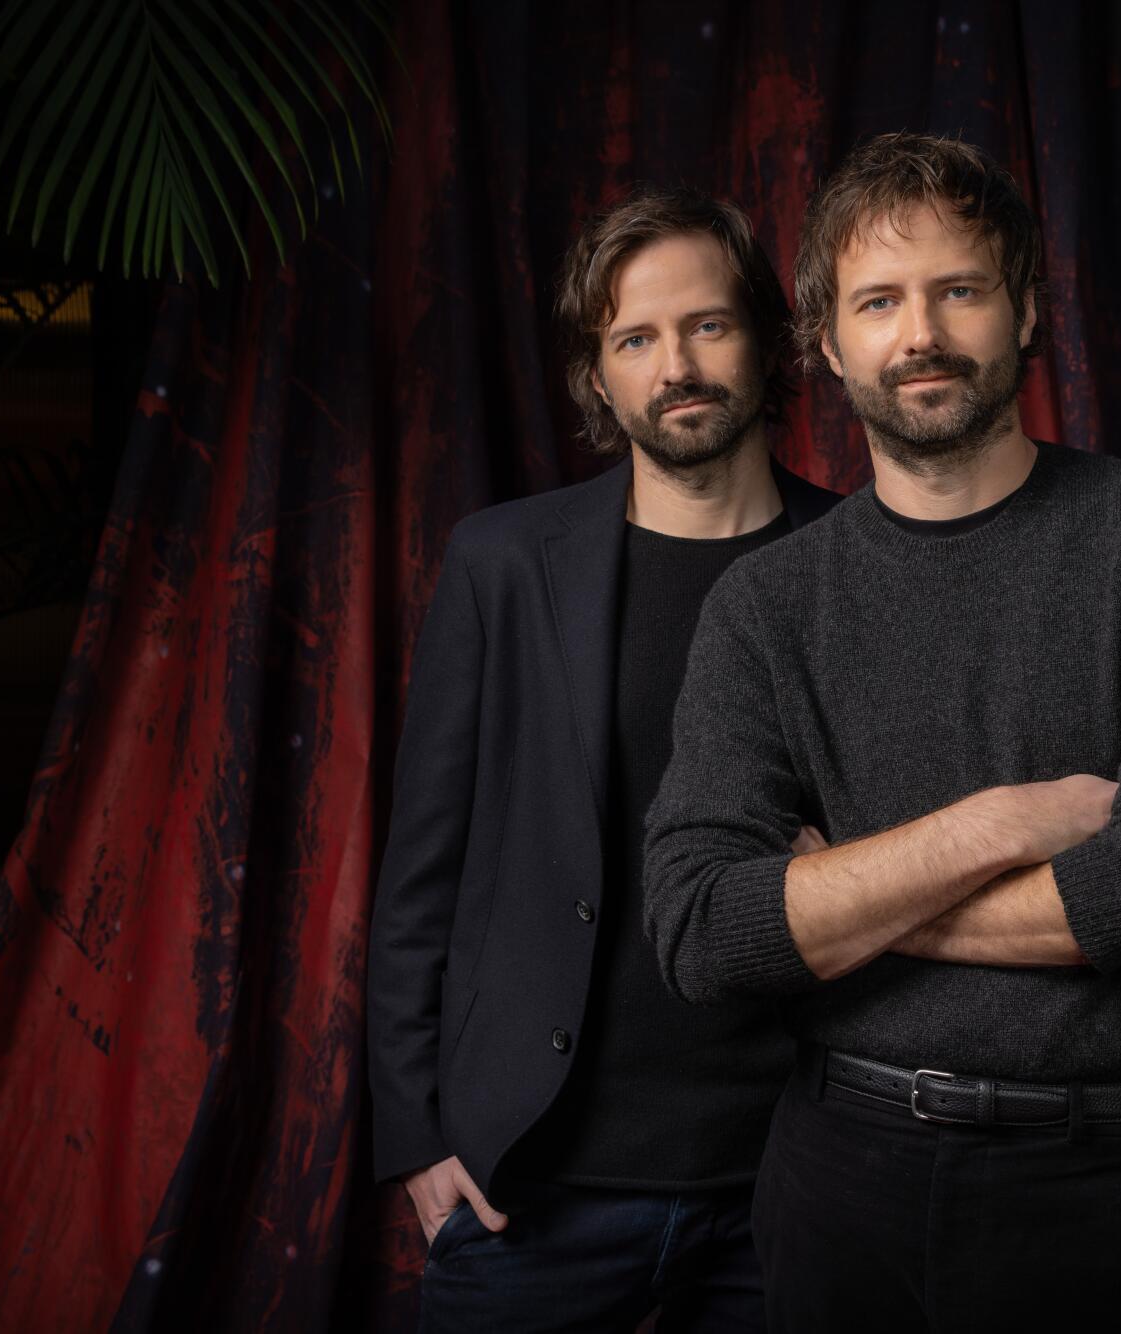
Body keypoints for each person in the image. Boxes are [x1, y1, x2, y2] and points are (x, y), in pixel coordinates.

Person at [642, 132, 1121, 1332]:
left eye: (958, 289)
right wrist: (992, 826)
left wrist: (833, 898)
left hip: (1100, 1185)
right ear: (826, 342)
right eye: (877, 301)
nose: (920, 333)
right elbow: (702, 929)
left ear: (1024, 309)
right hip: (836, 1179)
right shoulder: (767, 604)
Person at [367, 185, 840, 1332]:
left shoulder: (854, 560)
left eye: (707, 324)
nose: (675, 365)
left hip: (788, 1178)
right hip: (533, 1188)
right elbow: (422, 874)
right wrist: (418, 1134)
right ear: (597, 373)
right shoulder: (502, 565)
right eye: (635, 338)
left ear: (766, 338)